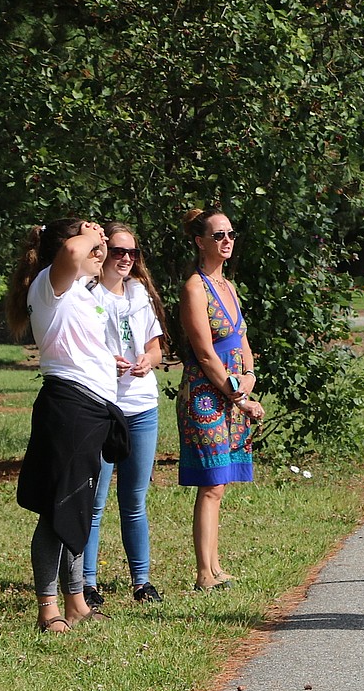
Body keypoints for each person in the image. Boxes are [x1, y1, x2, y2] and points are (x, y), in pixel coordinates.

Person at [7, 219, 126, 633]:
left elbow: (78, 344)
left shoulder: (81, 292)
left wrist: (107, 362)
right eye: (94, 245)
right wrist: (90, 234)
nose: (100, 251)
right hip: (68, 408)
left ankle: (75, 602)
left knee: (76, 507)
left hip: (91, 409)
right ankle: (48, 609)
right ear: (65, 250)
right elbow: (74, 254)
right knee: (57, 510)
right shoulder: (48, 284)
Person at [176, 208, 266, 592]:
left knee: (221, 483)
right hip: (206, 394)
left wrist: (249, 377)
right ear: (200, 242)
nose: (227, 241)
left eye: (230, 234)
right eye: (218, 236)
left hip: (233, 391)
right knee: (211, 482)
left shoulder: (228, 286)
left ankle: (215, 567)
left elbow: (241, 340)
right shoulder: (194, 287)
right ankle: (203, 573)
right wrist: (238, 395)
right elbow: (205, 353)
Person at [83, 223, 167, 608]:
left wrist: (147, 362)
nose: (126, 259)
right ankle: (87, 583)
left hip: (142, 406)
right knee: (95, 501)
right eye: (118, 251)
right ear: (101, 254)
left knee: (134, 499)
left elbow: (155, 348)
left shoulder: (139, 295)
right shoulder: (86, 295)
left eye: (132, 253)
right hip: (103, 406)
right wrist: (107, 363)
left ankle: (142, 581)